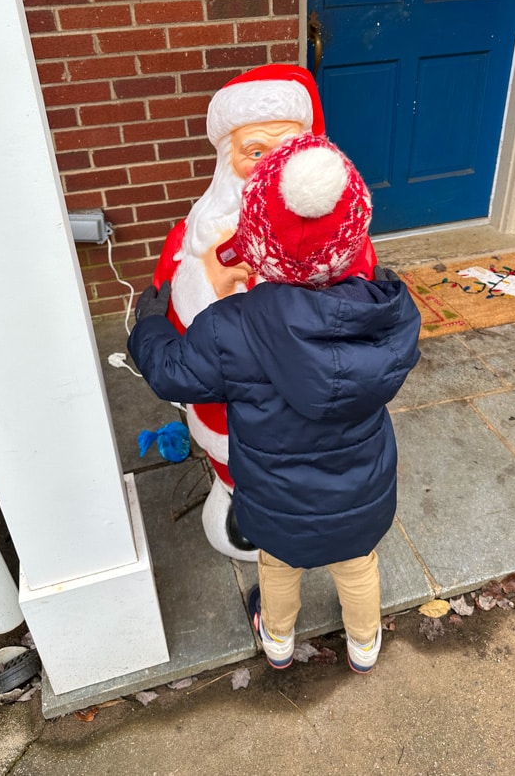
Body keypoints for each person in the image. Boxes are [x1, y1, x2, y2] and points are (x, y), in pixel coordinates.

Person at [129, 133, 420, 673]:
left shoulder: (231, 329)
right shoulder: (387, 314)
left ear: (257, 243)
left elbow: (173, 373)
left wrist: (150, 322)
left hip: (274, 497)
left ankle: (279, 642)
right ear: (355, 238)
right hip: (361, 493)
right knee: (358, 566)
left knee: (278, 567)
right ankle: (363, 644)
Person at [151, 65, 376, 560]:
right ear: (226, 159)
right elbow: (177, 329)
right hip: (232, 404)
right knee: (239, 458)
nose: (271, 168)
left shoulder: (342, 245)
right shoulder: (200, 235)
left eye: (285, 151)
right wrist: (206, 281)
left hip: (312, 403)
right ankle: (240, 499)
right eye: (256, 152)